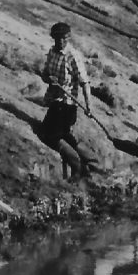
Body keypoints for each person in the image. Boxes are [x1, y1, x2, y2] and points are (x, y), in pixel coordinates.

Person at [39, 22, 98, 179]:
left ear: (68, 38)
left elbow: (85, 83)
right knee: (65, 135)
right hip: (55, 101)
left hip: (66, 105)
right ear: (53, 38)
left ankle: (78, 168)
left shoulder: (73, 56)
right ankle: (92, 162)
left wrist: (89, 106)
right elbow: (44, 74)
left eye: (64, 39)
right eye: (57, 38)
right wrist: (49, 78)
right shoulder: (52, 53)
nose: (61, 42)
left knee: (49, 136)